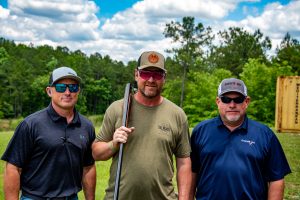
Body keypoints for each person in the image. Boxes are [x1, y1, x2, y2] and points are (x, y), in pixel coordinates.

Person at [92, 51, 192, 200]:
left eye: (157, 75)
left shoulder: (177, 114)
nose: (151, 79)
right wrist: (113, 144)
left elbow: (184, 162)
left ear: (164, 78)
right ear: (136, 74)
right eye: (145, 73)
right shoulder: (117, 108)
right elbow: (96, 153)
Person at [2, 66, 96, 200]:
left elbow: (88, 167)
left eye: (73, 87)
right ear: (49, 91)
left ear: (78, 91)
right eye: (61, 87)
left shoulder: (86, 126)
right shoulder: (30, 124)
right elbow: (13, 168)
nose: (68, 92)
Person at [190, 78, 292, 199]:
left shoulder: (265, 135)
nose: (232, 105)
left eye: (238, 100)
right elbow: (192, 172)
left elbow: (276, 179)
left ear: (246, 101)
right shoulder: (200, 131)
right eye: (226, 99)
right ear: (218, 101)